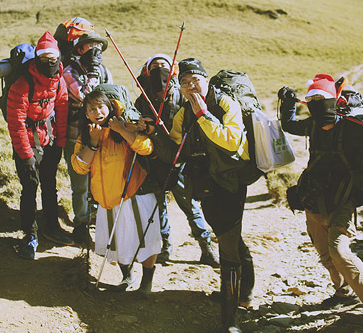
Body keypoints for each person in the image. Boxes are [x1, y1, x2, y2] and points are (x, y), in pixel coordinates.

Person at [149, 58, 255, 333]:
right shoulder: (183, 113)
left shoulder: (225, 104)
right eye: (184, 82)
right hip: (205, 186)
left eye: (195, 80)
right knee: (227, 235)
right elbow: (175, 151)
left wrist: (204, 115)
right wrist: (153, 133)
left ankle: (230, 319)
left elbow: (231, 141)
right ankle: (245, 291)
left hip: (231, 183)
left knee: (228, 245)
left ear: (206, 80)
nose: (190, 86)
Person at [279, 74, 363, 331]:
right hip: (314, 198)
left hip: (343, 199)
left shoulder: (352, 126)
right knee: (323, 250)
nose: (317, 103)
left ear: (334, 100)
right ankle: (342, 292)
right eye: (312, 99)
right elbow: (290, 125)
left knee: (339, 250)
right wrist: (287, 103)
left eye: (322, 98)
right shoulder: (313, 125)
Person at [70, 88, 161, 295]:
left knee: (144, 239)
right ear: (86, 114)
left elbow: (146, 147)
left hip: (134, 194)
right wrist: (93, 142)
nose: (97, 112)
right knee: (118, 241)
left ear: (109, 107)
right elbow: (79, 167)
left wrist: (121, 130)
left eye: (101, 107)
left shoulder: (126, 125)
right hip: (106, 199)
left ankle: (146, 282)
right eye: (91, 109)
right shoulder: (86, 136)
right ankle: (127, 277)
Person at [135, 54, 219, 267]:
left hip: (180, 159)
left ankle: (206, 247)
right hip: (153, 159)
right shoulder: (142, 97)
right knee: (159, 205)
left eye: (163, 65)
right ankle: (165, 246)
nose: (159, 68)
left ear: (172, 69)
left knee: (189, 204)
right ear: (147, 71)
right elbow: (136, 122)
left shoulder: (181, 93)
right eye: (154, 66)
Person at [7, 31, 75, 259]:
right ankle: (30, 235)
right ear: (37, 58)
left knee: (49, 184)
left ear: (59, 58)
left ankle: (52, 227)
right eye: (44, 58)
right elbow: (16, 123)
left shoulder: (59, 81)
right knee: (29, 187)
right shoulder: (23, 83)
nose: (49, 62)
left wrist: (60, 143)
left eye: (53, 58)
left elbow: (62, 111)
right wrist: (25, 155)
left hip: (50, 140)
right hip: (27, 143)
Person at [63, 32, 114, 247]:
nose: (94, 50)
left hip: (102, 136)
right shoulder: (69, 71)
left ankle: (97, 218)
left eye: (98, 46)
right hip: (75, 135)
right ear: (80, 49)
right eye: (89, 46)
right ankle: (81, 224)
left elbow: (111, 99)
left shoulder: (105, 71)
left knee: (101, 179)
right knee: (80, 184)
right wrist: (93, 73)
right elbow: (86, 98)